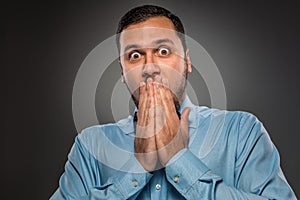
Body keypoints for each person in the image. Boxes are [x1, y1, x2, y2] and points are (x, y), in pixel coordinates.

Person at [50, 5, 297, 199]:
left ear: (187, 62)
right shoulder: (91, 145)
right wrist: (138, 168)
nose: (150, 68)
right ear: (122, 73)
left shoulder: (241, 131)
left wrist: (179, 161)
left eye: (163, 51)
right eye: (135, 56)